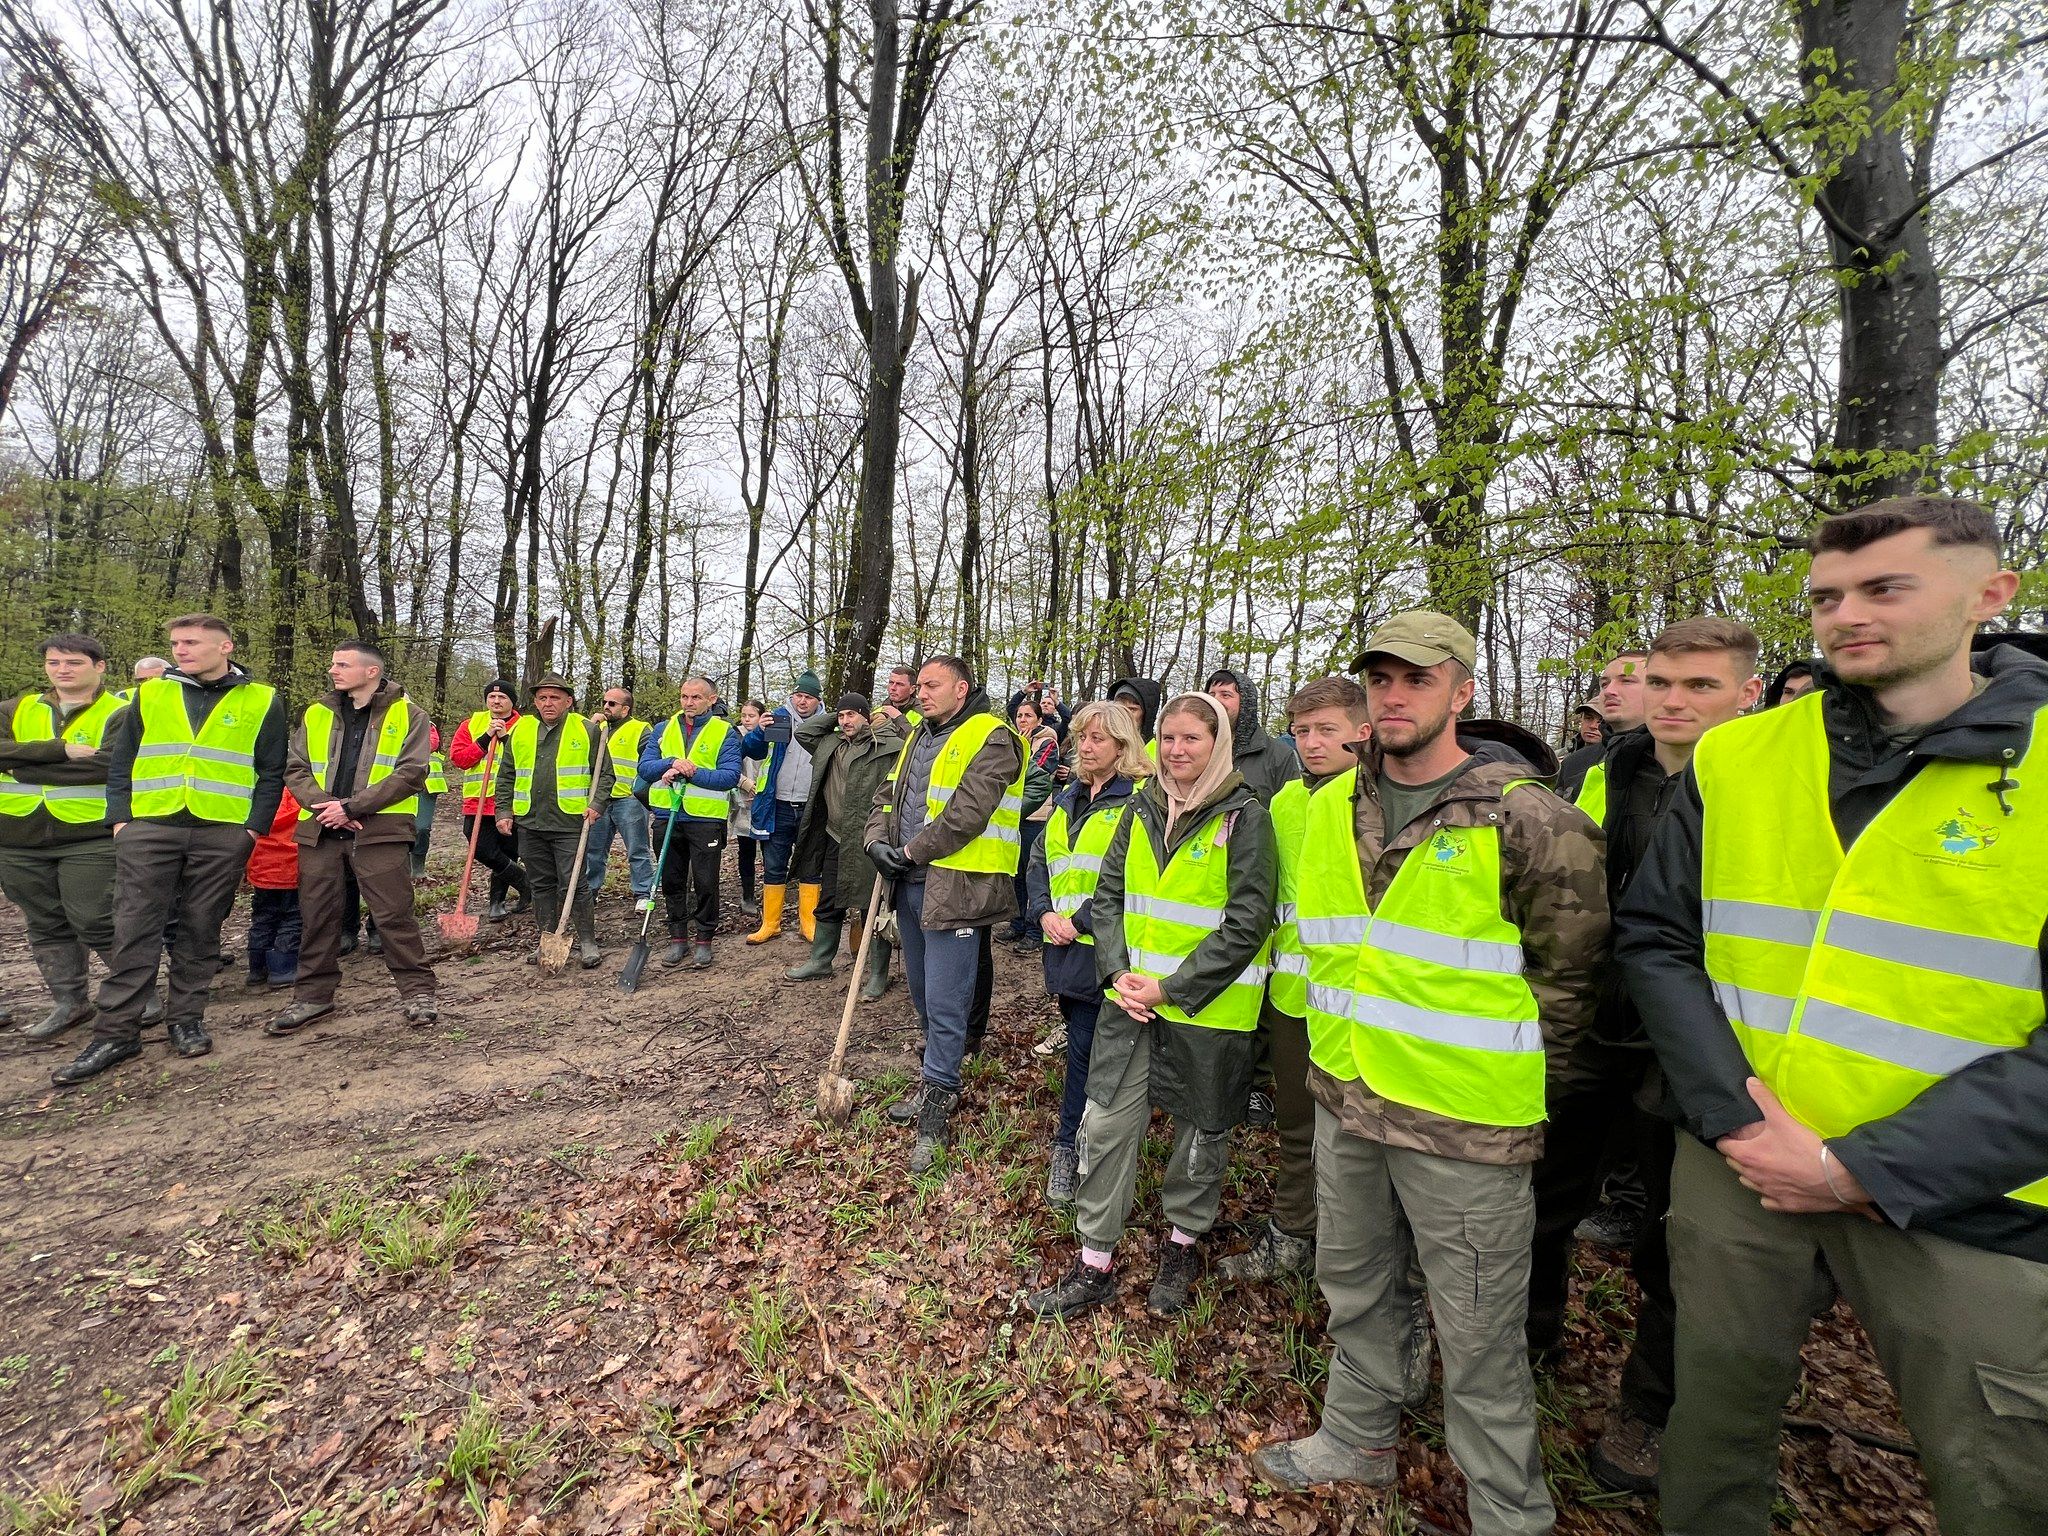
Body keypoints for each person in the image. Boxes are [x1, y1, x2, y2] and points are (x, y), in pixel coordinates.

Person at [1617, 497, 2048, 1536]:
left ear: (1989, 595)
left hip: (1971, 1196)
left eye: (1885, 588)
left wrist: (1860, 1168)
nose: (1846, 614)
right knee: (1713, 1418)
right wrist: (1736, 1121)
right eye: (1826, 596)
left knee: (1994, 1474)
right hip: (1739, 1161)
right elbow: (1658, 939)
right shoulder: (1740, 757)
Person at [1251, 610, 1608, 1536]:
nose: (1394, 696)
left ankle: (1508, 1511)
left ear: (1462, 690)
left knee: (1480, 1333)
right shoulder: (1329, 805)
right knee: (1355, 1284)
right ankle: (1356, 1435)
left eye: (1417, 678)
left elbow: (1571, 983)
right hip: (1347, 1097)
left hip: (1465, 1123)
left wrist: (1520, 1094)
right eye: (1380, 679)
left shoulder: (1529, 817)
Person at [1525, 616, 1763, 1494]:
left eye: (1700, 685)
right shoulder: (1603, 771)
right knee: (1544, 1198)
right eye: (1660, 682)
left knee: (1675, 1237)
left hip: (1698, 1041)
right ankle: (1527, 1342)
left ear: (1747, 693)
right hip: (1592, 1020)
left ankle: (1653, 1409)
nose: (1672, 701)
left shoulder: (1763, 782)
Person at [1027, 692, 1276, 1318]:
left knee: (1199, 1133)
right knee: (1108, 1122)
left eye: (1192, 738)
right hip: (1129, 1001)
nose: (1177, 750)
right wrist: (1117, 974)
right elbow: (1108, 897)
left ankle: (1182, 1244)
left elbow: (1248, 923)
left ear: (1218, 743)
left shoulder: (1246, 818)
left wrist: (1173, 989)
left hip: (1207, 1010)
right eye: (1168, 738)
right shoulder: (1141, 808)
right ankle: (1095, 1260)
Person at [52, 613, 289, 1086]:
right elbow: (123, 761)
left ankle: (187, 1019)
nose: (180, 650)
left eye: (192, 642)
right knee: (134, 928)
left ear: (225, 647)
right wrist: (122, 819)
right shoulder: (151, 694)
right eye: (177, 643)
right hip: (150, 827)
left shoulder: (264, 699)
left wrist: (251, 831)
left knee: (201, 928)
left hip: (222, 831)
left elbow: (271, 771)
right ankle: (116, 1032)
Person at [1217, 675, 1372, 1286]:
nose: (1311, 743)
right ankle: (1292, 1234)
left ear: (1362, 731)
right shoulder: (1283, 802)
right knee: (1296, 1125)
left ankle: (1356, 1255)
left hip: (1366, 1006)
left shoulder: (1381, 801)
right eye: (1301, 730)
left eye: (1326, 730)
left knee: (1362, 1138)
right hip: (1292, 997)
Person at [863, 656, 1028, 1172]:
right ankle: (935, 1079)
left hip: (960, 887)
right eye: (919, 686)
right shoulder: (917, 734)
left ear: (962, 688)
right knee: (921, 993)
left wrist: (909, 851)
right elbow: (887, 796)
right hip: (910, 883)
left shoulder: (994, 737)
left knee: (947, 999)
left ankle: (937, 1106)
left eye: (932, 685)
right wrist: (875, 842)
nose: (921, 693)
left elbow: (967, 814)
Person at [269, 640, 438, 1034]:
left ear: (371, 671)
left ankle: (417, 993)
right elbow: (295, 768)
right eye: (334, 664)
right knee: (317, 916)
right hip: (321, 829)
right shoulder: (316, 713)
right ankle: (313, 997)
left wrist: (352, 807)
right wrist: (326, 807)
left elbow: (411, 772)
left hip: (381, 831)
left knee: (394, 915)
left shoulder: (409, 715)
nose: (333, 670)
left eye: (343, 664)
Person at [1022, 701, 1150, 1205]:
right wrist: (1042, 913)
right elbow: (1040, 859)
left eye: (1098, 738)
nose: (1085, 746)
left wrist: (1076, 922)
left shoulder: (1139, 801)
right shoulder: (1068, 797)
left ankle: (1072, 1146)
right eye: (1081, 737)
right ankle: (1080, 1141)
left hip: (1111, 954)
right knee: (1082, 1046)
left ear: (1123, 746)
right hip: (1065, 949)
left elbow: (1132, 878)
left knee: (1088, 1053)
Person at [0, 633, 127, 1040]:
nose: (62, 670)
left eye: (73, 662)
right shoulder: (16, 708)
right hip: (17, 835)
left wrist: (18, 764)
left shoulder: (120, 712)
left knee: (95, 918)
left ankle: (134, 996)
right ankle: (70, 1003)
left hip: (89, 834)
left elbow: (109, 766)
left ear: (99, 666)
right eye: (54, 663)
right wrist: (60, 751)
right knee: (45, 921)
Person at [788, 694, 905, 990]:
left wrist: (880, 716)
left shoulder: (887, 746)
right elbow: (804, 731)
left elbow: (911, 747)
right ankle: (820, 961)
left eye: (851, 715)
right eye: (841, 716)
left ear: (866, 715)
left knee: (872, 906)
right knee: (829, 900)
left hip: (870, 838)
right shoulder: (832, 744)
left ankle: (877, 974)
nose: (845, 721)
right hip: (835, 836)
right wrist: (839, 714)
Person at [496, 675, 610, 969]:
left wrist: (597, 804)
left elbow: (605, 774)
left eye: (555, 698)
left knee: (574, 883)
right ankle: (546, 940)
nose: (548, 703)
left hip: (571, 822)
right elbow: (506, 774)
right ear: (535, 701)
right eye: (542, 698)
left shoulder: (586, 730)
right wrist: (503, 811)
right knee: (540, 885)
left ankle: (587, 941)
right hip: (530, 822)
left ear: (568, 701)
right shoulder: (520, 730)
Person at [638, 676, 741, 970]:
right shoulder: (663, 728)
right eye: (684, 697)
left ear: (711, 699)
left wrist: (691, 772)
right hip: (667, 815)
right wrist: (670, 764)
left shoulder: (725, 732)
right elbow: (645, 768)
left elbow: (729, 776)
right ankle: (678, 938)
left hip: (705, 819)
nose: (688, 703)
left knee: (706, 882)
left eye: (696, 697)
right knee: (672, 880)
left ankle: (704, 939)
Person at [739, 671, 825, 944]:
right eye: (798, 695)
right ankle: (770, 924)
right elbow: (750, 749)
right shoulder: (776, 717)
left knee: (811, 866)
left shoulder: (827, 724)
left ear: (818, 700)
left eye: (808, 697)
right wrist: (759, 731)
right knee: (774, 865)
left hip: (812, 807)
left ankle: (808, 923)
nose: (802, 701)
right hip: (777, 805)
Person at [448, 680, 531, 920]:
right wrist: (485, 738)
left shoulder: (525, 726)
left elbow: (528, 759)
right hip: (478, 801)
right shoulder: (471, 724)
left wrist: (505, 739)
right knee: (482, 849)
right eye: (492, 697)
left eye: (502, 697)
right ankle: (523, 881)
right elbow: (460, 759)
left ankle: (497, 902)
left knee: (508, 850)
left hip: (512, 800)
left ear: (512, 701)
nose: (496, 701)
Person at [584, 685, 654, 905]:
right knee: (593, 851)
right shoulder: (597, 727)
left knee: (637, 849)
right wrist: (591, 726)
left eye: (612, 703)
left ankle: (643, 893)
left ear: (625, 709)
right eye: (604, 702)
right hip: (599, 800)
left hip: (628, 799)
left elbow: (650, 761)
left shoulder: (640, 729)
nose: (606, 706)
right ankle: (590, 892)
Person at [1003, 697, 1063, 948]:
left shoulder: (1047, 743)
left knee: (1033, 876)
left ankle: (1035, 932)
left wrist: (1023, 747)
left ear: (1039, 719)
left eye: (1028, 715)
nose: (1022, 720)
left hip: (1036, 817)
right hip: (1014, 815)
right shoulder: (1014, 740)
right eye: (1019, 716)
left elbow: (1037, 771)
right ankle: (1016, 924)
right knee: (1015, 875)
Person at [1201, 669, 1300, 808]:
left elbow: (1291, 809)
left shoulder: (1279, 755)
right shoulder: (1197, 748)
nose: (1216, 701)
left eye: (1225, 695)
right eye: (1211, 695)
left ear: (1246, 703)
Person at [1557, 652, 1646, 804]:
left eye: (1626, 681)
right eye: (1604, 684)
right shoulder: (1573, 763)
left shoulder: (1677, 762)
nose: (1609, 691)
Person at [244, 788, 301, 990]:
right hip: (292, 870)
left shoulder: (261, 798)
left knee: (263, 918)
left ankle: (256, 967)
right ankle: (283, 967)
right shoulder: (299, 795)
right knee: (293, 919)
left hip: (262, 871)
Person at [732, 699, 768, 917]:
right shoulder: (734, 735)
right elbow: (726, 764)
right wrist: (743, 782)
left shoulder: (770, 735)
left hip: (766, 799)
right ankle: (747, 895)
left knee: (769, 849)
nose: (746, 720)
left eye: (751, 716)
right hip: (743, 801)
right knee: (746, 850)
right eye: (743, 715)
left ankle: (771, 894)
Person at [412, 722, 446, 879]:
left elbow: (432, 743)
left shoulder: (424, 722)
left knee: (421, 829)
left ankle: (417, 870)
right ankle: (403, 869)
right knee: (400, 829)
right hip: (399, 784)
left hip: (427, 787)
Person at [1107, 676, 1162, 750]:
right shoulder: (1100, 746)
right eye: (1119, 708)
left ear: (1145, 716)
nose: (1124, 714)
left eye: (1132, 709)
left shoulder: (1158, 753)